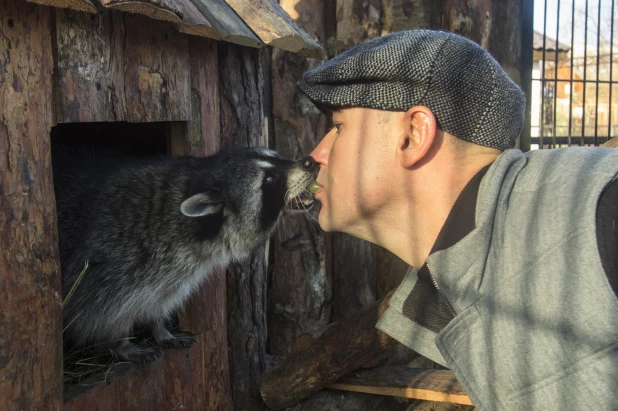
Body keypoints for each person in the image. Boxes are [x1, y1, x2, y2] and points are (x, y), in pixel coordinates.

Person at [297, 29, 618, 410]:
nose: (315, 154)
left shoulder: (599, 207)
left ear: (413, 136)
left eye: (338, 128)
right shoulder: (455, 279)